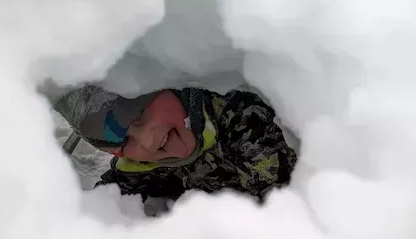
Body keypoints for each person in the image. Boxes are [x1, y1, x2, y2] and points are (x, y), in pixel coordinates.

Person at [49, 82, 297, 216]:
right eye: (125, 144)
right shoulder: (141, 166)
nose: (147, 141)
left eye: (139, 116)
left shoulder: (240, 118)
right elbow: (105, 203)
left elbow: (278, 207)